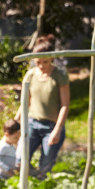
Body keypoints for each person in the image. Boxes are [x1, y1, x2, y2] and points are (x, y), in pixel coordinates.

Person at [16, 35, 70, 179]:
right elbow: (25, 102)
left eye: (45, 62)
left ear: (52, 58)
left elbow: (65, 105)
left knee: (45, 166)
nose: (41, 65)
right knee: (20, 160)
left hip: (52, 126)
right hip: (32, 123)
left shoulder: (59, 75)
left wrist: (57, 130)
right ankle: (27, 186)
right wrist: (16, 122)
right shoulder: (30, 75)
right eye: (37, 62)